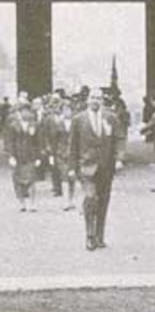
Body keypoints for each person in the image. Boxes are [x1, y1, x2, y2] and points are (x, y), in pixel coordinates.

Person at [69, 89, 119, 251]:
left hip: (106, 167)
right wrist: (72, 167)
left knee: (103, 202)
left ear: (102, 100)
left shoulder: (111, 118)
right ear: (87, 100)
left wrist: (119, 159)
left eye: (98, 98)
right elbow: (72, 145)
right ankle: (89, 236)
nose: (95, 101)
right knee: (90, 198)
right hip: (87, 167)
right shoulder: (78, 119)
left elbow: (118, 140)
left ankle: (100, 236)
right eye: (92, 98)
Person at [7, 101, 42, 213]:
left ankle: (32, 203)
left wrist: (38, 157)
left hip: (31, 156)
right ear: (20, 112)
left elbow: (39, 142)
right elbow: (10, 142)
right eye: (23, 111)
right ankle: (21, 203)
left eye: (28, 111)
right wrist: (11, 156)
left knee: (31, 180)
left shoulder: (35, 125)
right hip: (18, 156)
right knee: (18, 181)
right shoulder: (13, 125)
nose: (26, 113)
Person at [43, 101, 77, 211]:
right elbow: (53, 140)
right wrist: (52, 155)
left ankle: (71, 200)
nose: (67, 112)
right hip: (61, 153)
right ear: (62, 112)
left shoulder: (76, 123)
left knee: (72, 178)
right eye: (65, 110)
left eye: (69, 110)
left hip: (73, 154)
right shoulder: (58, 124)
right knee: (64, 177)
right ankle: (65, 202)